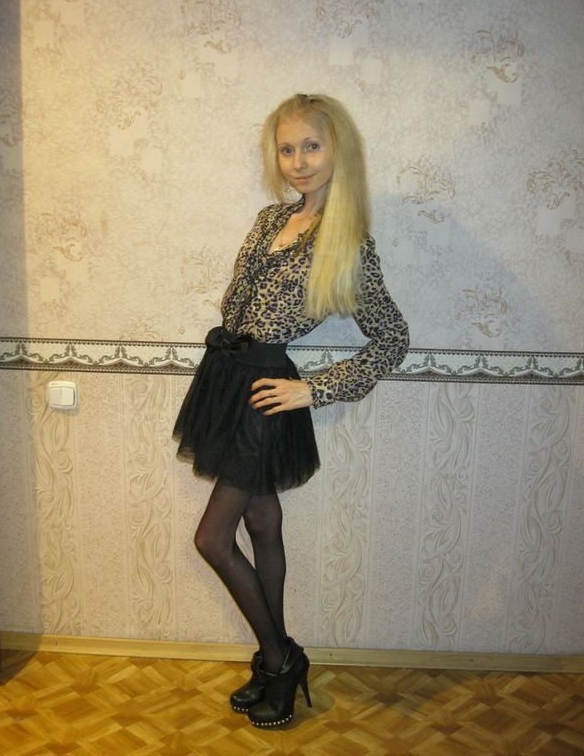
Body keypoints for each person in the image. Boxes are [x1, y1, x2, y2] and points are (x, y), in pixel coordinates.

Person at [173, 93, 409, 728]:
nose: (299, 161)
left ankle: (279, 660)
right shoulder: (267, 219)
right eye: (287, 149)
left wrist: (314, 389)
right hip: (225, 381)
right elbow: (238, 308)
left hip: (264, 396)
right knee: (261, 522)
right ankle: (276, 657)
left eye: (312, 146)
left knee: (211, 539)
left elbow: (392, 339)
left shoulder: (349, 242)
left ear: (338, 152)